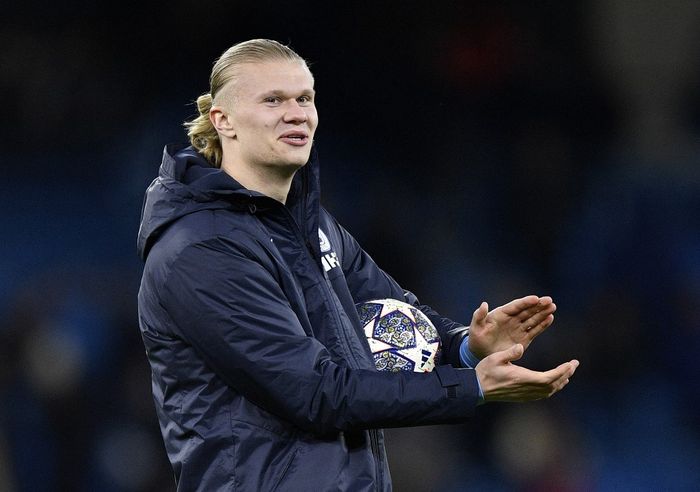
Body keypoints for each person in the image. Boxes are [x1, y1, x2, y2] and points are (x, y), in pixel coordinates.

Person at [137, 38, 579, 491]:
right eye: (273, 100)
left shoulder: (308, 224)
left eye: (305, 98)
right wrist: (472, 387)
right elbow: (316, 392)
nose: (297, 113)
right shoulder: (200, 249)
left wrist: (468, 349)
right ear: (222, 120)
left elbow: (397, 312)